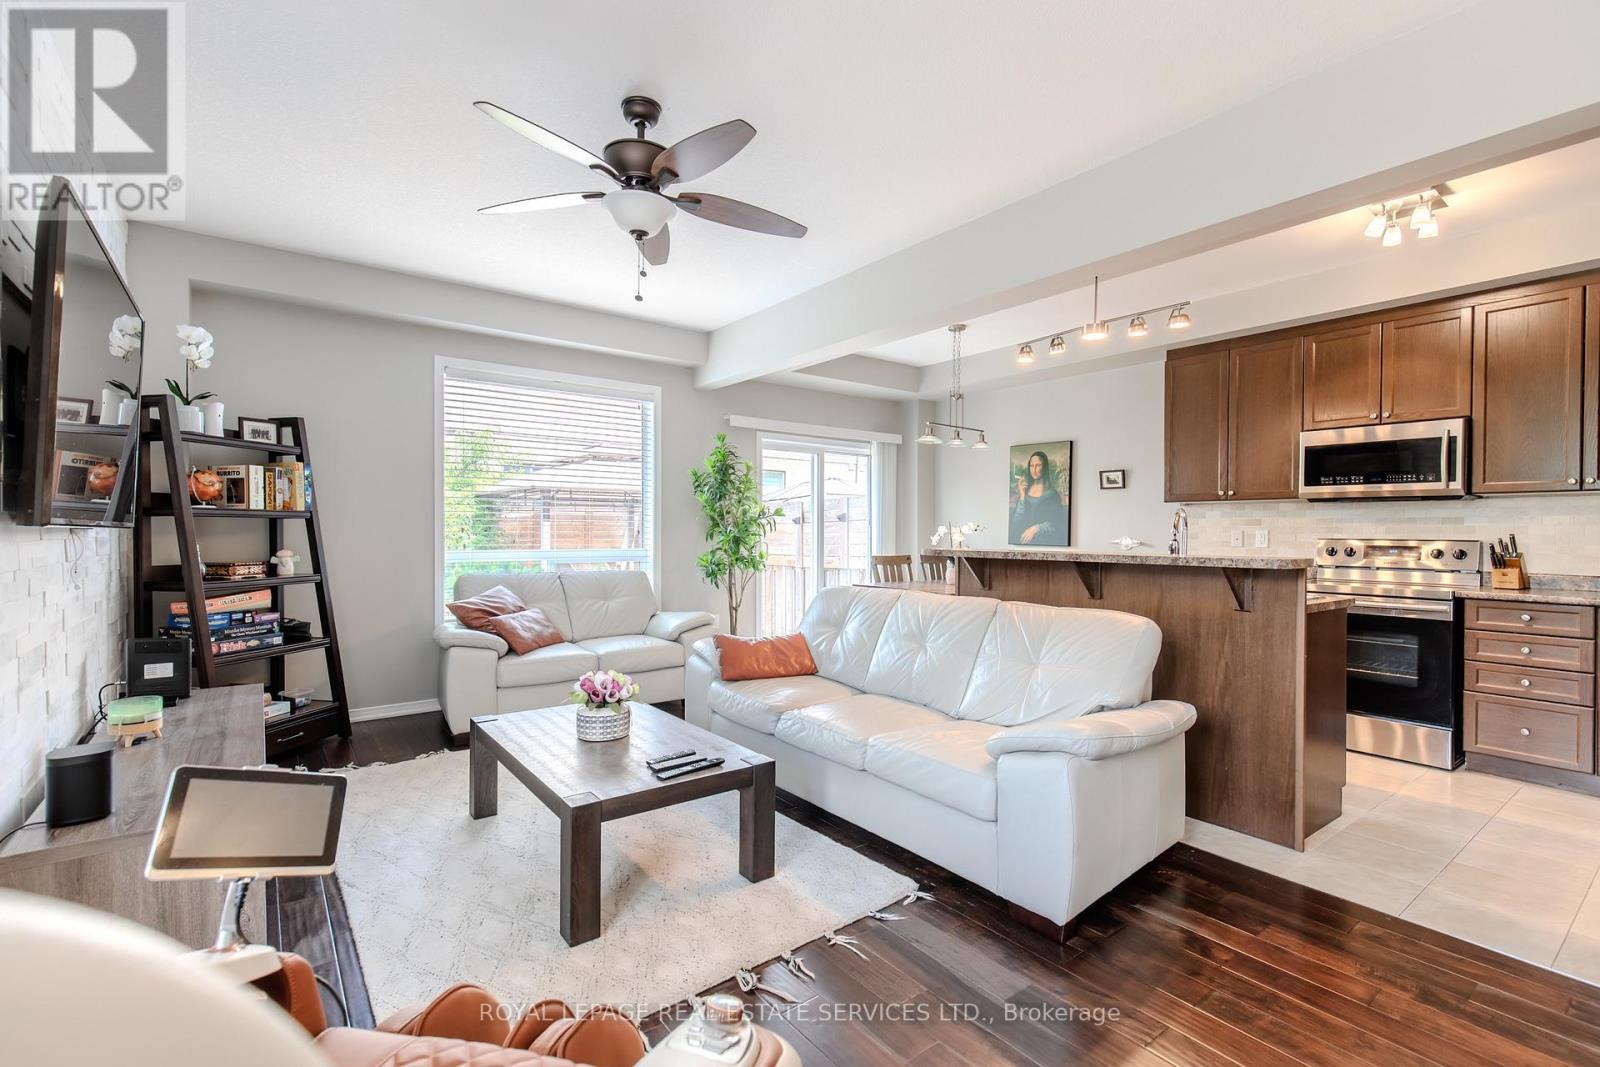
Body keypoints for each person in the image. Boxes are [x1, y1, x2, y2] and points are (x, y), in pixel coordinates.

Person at [1010, 449, 1068, 545]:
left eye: (1038, 465)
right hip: (1022, 541)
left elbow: (1057, 523)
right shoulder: (1025, 492)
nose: (1034, 469)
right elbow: (1016, 522)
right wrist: (1022, 496)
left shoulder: (1052, 494)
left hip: (1044, 541)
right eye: (1032, 466)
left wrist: (1036, 528)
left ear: (1044, 467)